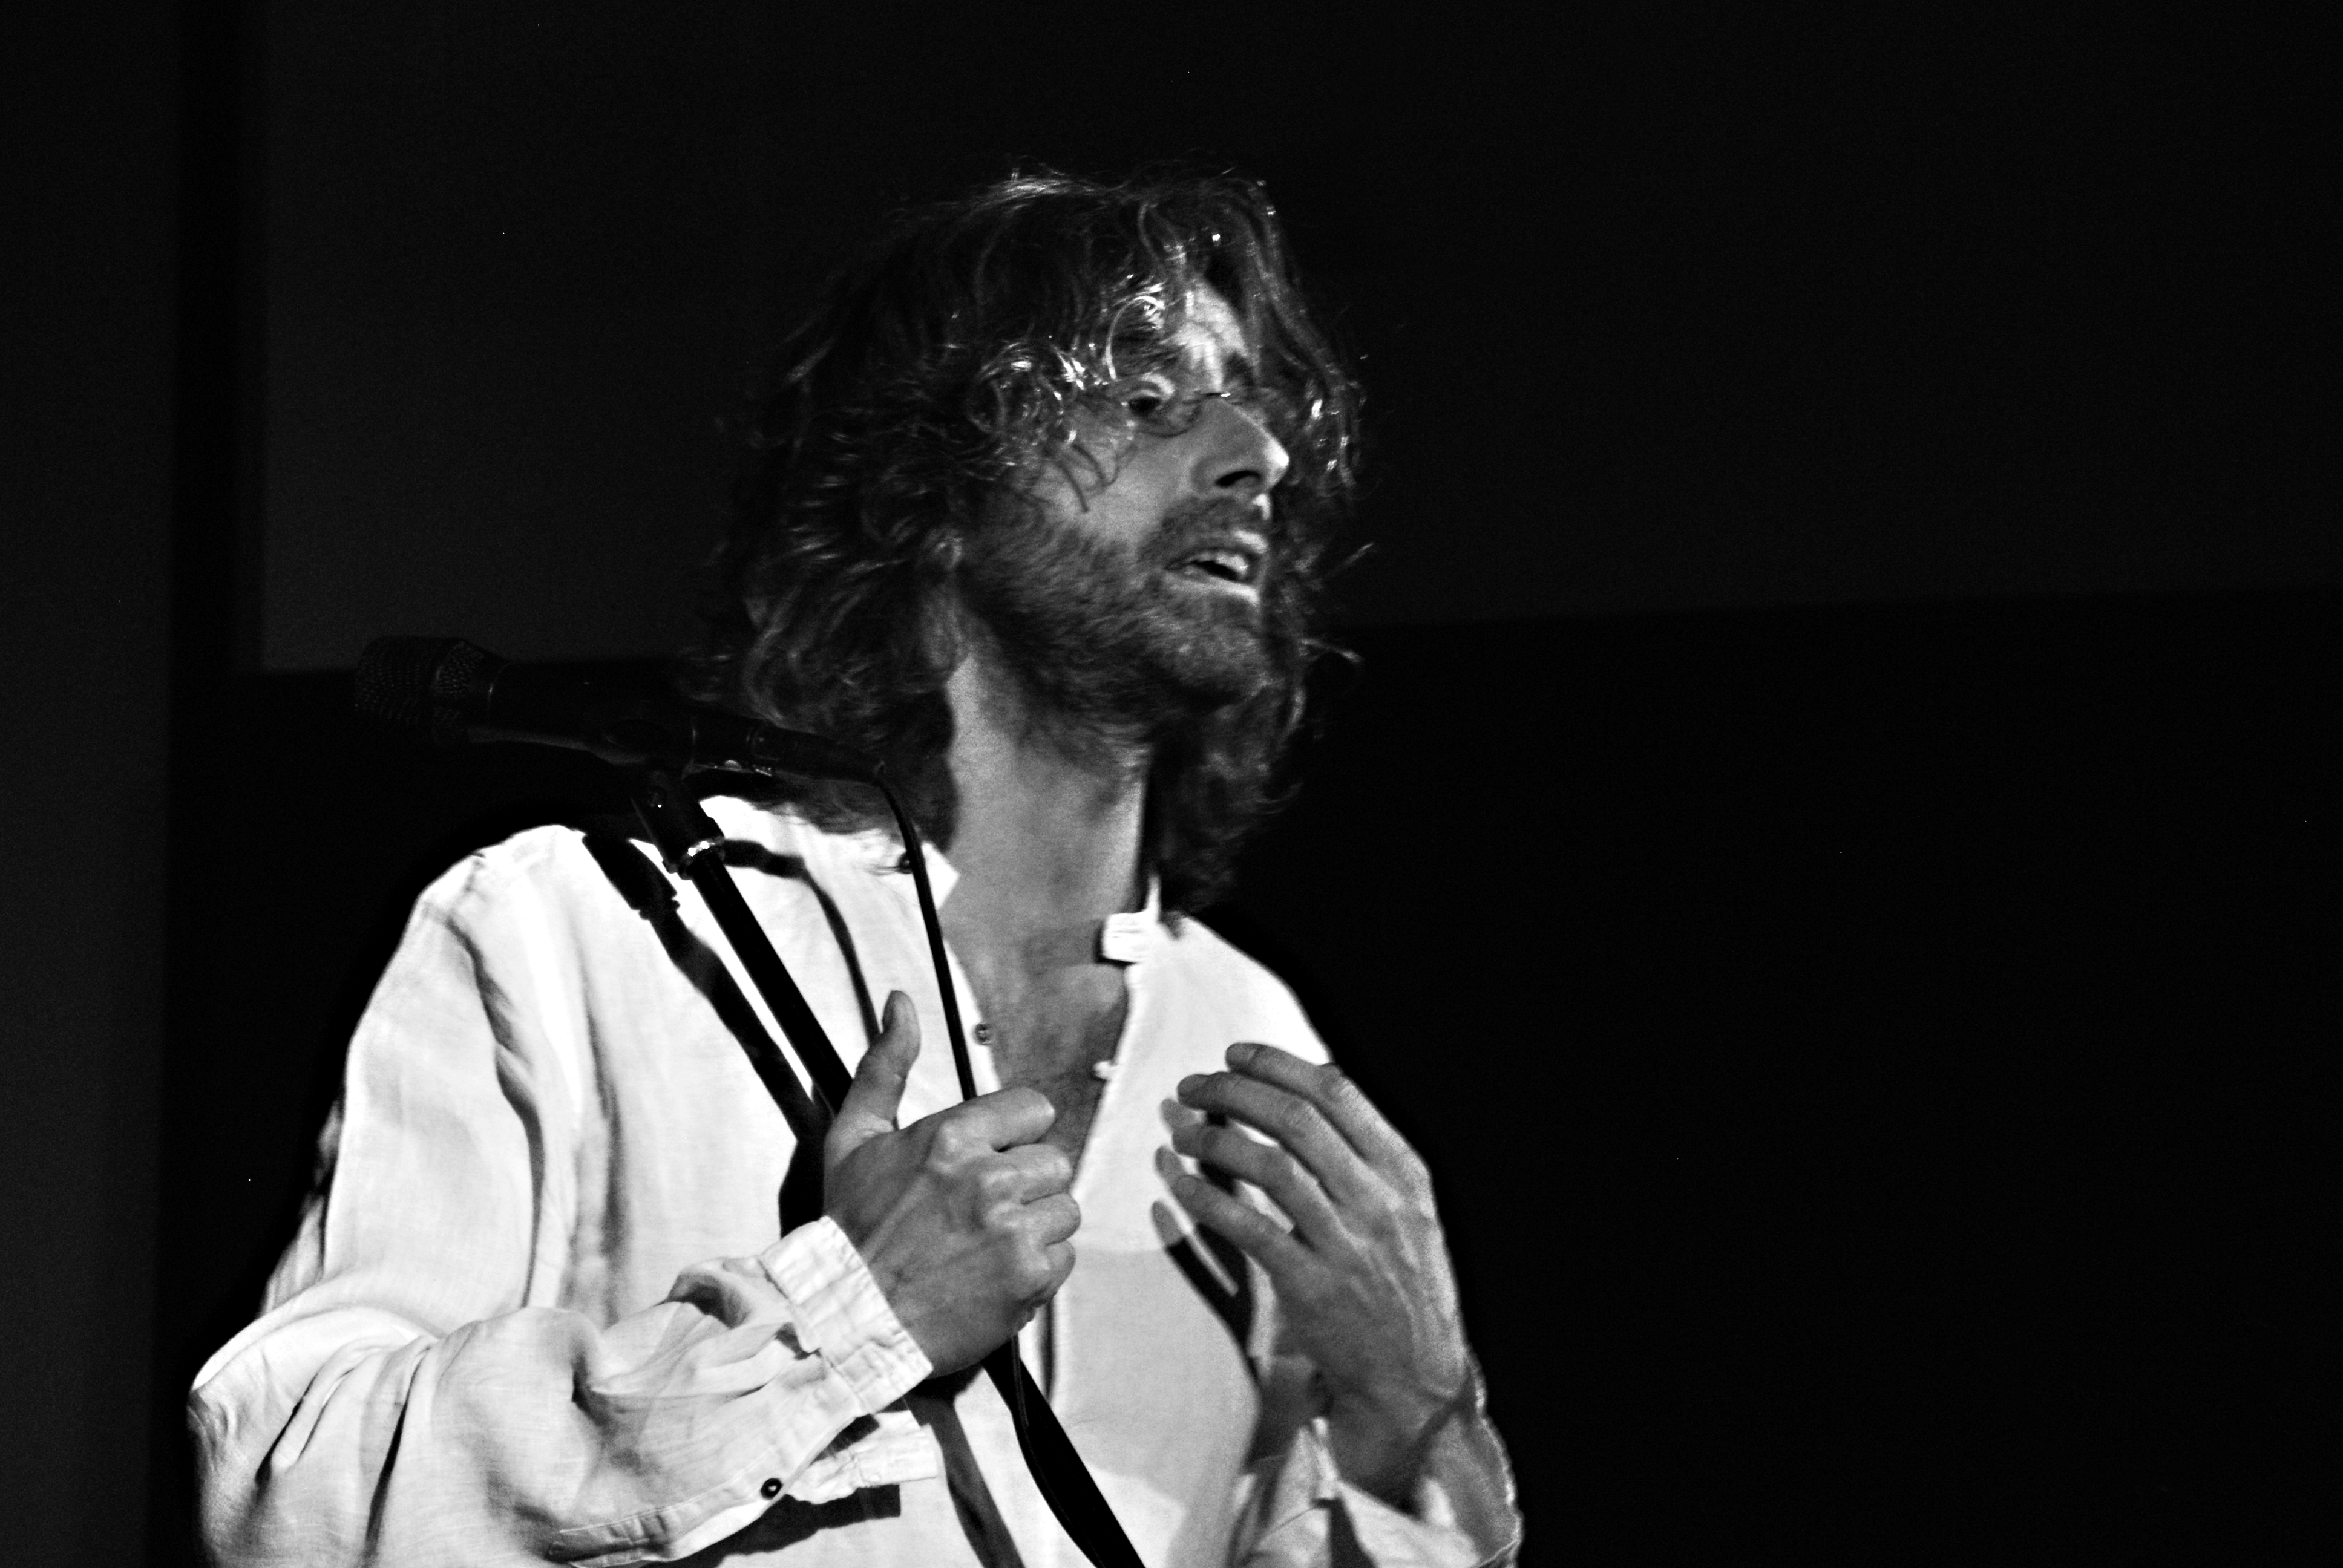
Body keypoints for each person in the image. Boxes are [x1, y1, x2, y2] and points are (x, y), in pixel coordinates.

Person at [191, 172, 1521, 1566]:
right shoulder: (582, 932)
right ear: (930, 485)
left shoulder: (1253, 1036)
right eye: (1143, 396)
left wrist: (1410, 1421)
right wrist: (844, 1315)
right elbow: (286, 1488)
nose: (1258, 453)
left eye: (1250, 403)